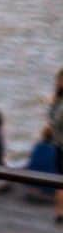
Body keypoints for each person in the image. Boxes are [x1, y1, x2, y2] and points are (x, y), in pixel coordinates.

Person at [25, 125, 59, 203]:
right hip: (49, 186)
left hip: (33, 182)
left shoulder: (37, 146)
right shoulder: (55, 149)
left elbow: (31, 163)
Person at [48, 67, 63, 223]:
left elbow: (51, 122)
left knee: (60, 180)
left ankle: (59, 212)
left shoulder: (56, 102)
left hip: (58, 145)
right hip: (60, 145)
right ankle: (59, 212)